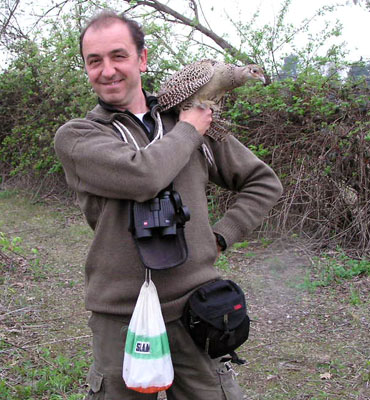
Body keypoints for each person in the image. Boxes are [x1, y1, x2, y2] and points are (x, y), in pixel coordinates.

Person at [54, 10, 283, 400]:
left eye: (118, 56)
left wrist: (221, 237)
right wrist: (192, 129)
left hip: (197, 309)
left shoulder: (189, 117)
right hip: (121, 316)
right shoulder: (79, 136)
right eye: (95, 61)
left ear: (141, 59)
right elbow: (144, 177)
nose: (107, 70)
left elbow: (263, 182)